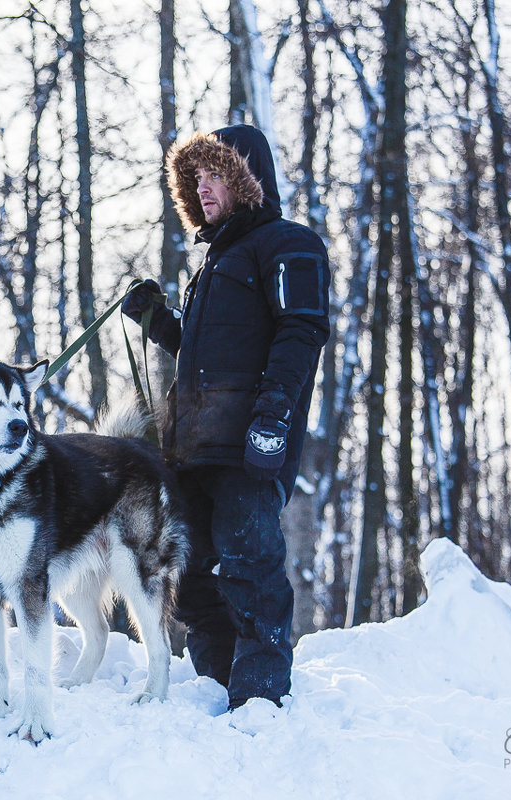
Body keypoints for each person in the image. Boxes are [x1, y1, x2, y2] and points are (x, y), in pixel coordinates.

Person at [122, 125, 330, 709]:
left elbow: (300, 332)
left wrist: (274, 419)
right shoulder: (213, 262)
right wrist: (157, 320)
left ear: (246, 179)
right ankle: (215, 686)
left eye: (216, 174)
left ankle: (260, 702)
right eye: (196, 178)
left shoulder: (290, 244)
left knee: (249, 568)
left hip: (248, 445)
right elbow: (205, 352)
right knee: (182, 577)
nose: (203, 187)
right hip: (192, 447)